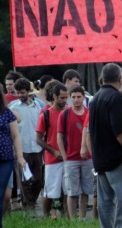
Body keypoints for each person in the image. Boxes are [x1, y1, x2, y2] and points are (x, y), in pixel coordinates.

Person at [89, 63, 122, 228]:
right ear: (120, 78)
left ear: (103, 78)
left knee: (106, 202)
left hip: (102, 159)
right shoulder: (115, 98)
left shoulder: (96, 97)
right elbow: (119, 130)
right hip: (119, 159)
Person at [8, 78, 44, 210]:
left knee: (39, 180)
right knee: (24, 181)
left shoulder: (38, 106)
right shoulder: (13, 108)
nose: (20, 95)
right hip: (22, 150)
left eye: (22, 92)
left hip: (37, 148)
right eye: (18, 93)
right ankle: (28, 206)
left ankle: (32, 201)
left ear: (28, 92)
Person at [57, 85, 92, 220]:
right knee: (72, 192)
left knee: (86, 191)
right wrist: (65, 157)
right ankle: (72, 220)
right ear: (70, 99)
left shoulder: (89, 112)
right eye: (73, 97)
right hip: (71, 158)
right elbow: (59, 136)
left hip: (88, 158)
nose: (76, 100)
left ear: (84, 97)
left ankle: (82, 218)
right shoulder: (65, 114)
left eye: (79, 97)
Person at [35, 83, 68, 218]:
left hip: (69, 157)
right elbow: (38, 139)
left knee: (68, 191)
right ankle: (46, 216)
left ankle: (68, 217)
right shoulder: (46, 114)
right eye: (62, 97)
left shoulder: (68, 111)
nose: (65, 100)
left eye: (66, 97)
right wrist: (54, 152)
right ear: (54, 96)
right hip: (52, 159)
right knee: (50, 192)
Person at [0, 88, 26, 227]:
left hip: (6, 158)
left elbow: (15, 136)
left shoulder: (6, 112)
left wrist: (20, 157)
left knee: (5, 195)